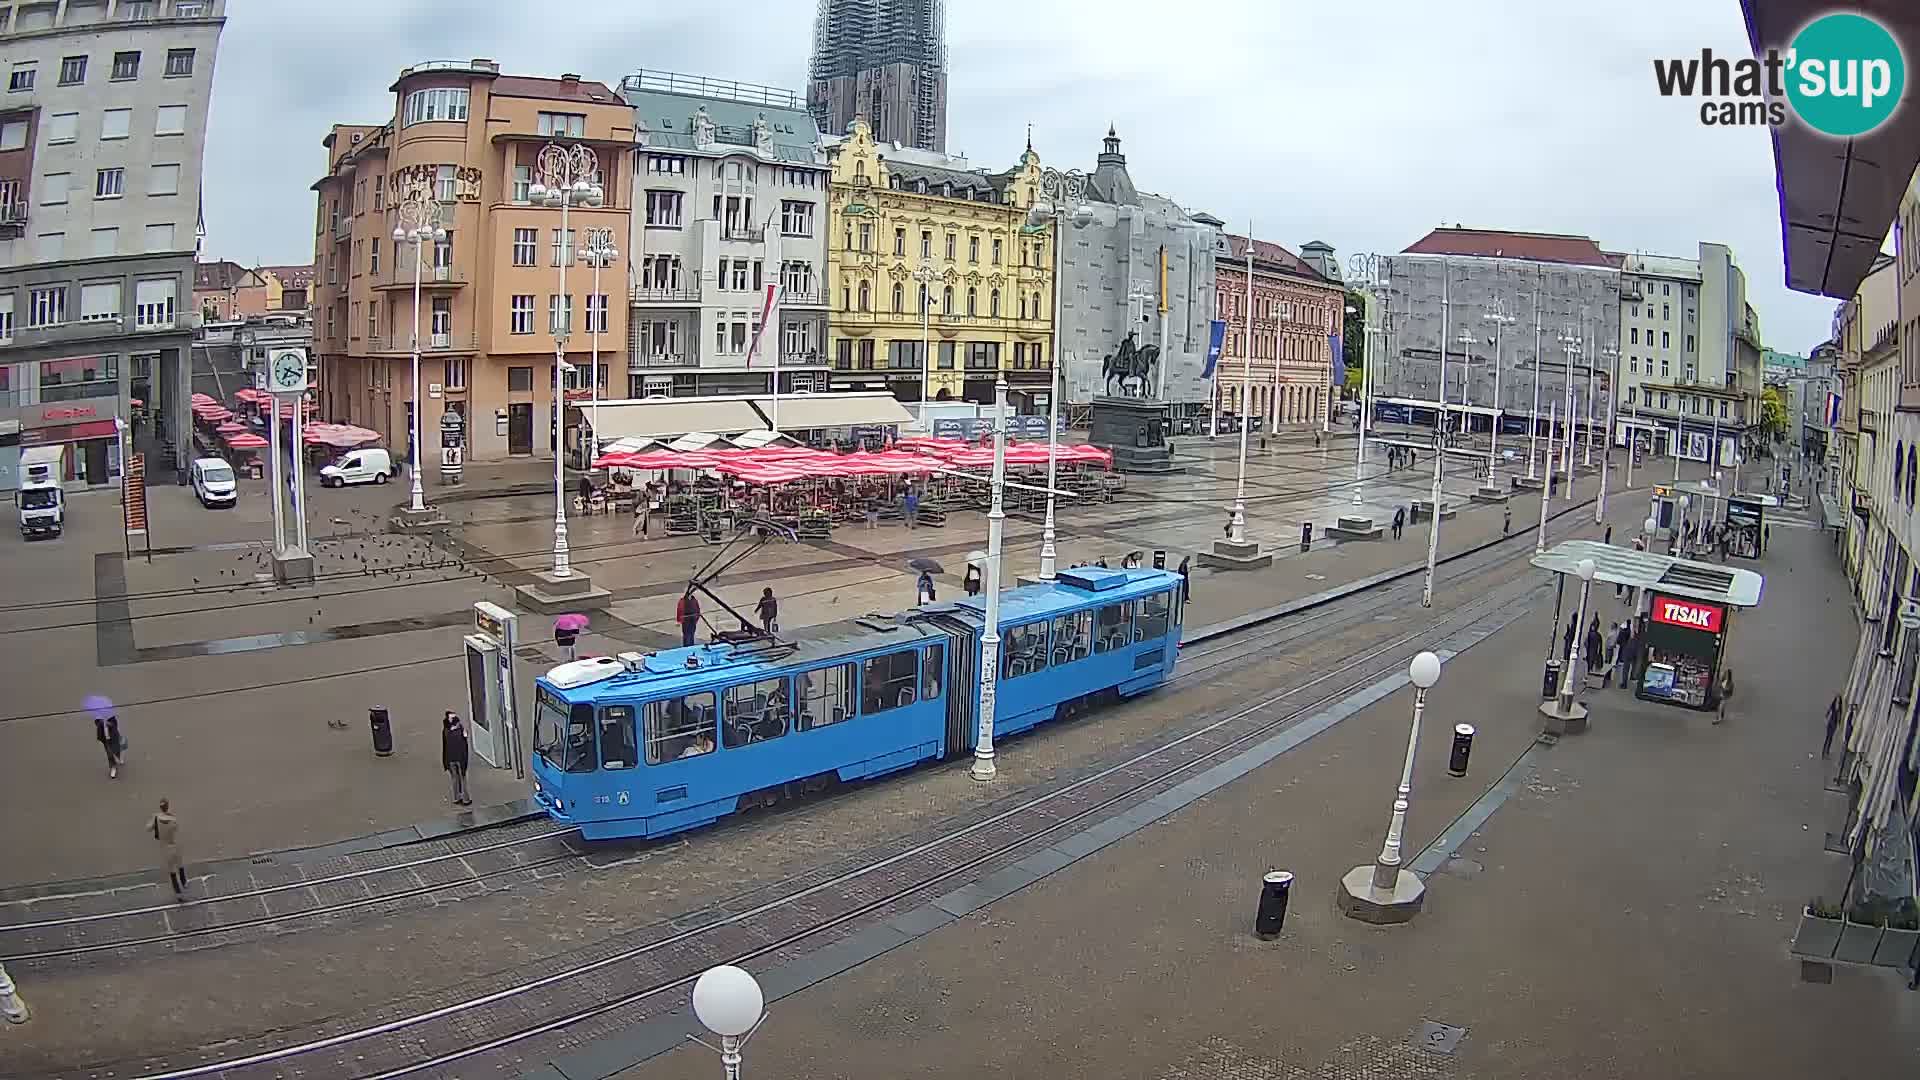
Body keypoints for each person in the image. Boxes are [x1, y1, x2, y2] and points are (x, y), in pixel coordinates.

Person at [150, 799, 185, 899]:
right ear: (168, 806)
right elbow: (176, 828)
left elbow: (148, 828)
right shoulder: (172, 819)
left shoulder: (156, 818)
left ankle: (178, 893)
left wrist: (154, 819)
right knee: (180, 865)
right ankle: (184, 882)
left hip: (165, 847)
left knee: (172, 871)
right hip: (174, 845)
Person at [442, 711, 471, 807]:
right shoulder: (459, 731)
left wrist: (445, 761)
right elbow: (464, 745)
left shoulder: (446, 731)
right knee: (462, 778)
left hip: (450, 758)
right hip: (460, 758)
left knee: (454, 778)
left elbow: (445, 746)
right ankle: (466, 799)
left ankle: (456, 798)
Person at [94, 711, 125, 780]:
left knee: (116, 749)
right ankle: (113, 767)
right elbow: (96, 723)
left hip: (113, 736)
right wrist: (101, 722)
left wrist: (108, 724)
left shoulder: (110, 715)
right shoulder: (98, 716)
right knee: (109, 754)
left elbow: (115, 725)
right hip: (105, 738)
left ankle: (119, 757)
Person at [1822, 693, 1843, 758]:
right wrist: (1826, 717)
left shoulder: (1839, 708)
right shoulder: (1833, 705)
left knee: (1830, 737)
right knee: (1828, 737)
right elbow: (1829, 711)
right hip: (1831, 722)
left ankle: (1827, 751)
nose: (1837, 702)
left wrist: (1839, 725)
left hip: (1834, 724)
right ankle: (1824, 751)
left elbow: (1839, 717)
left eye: (1838, 700)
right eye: (1836, 700)